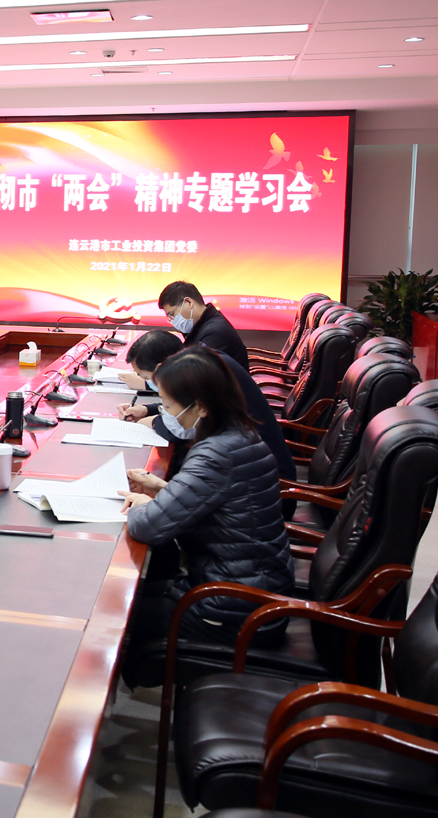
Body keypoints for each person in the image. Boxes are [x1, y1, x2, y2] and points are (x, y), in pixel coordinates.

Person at [117, 347, 293, 687]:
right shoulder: (239, 434)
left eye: (168, 406)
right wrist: (163, 488)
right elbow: (214, 499)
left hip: (232, 610)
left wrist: (141, 505)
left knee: (116, 613)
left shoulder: (215, 454)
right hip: (252, 590)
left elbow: (147, 527)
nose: (166, 414)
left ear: (200, 407)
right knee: (144, 587)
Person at [116, 331, 294, 482]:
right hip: (253, 471)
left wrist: (151, 421)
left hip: (268, 480)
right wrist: (148, 409)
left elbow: (178, 430)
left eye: (146, 378)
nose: (149, 383)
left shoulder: (202, 372)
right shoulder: (201, 362)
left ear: (161, 367)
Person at [157, 280, 249, 371]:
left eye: (172, 314)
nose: (172, 320)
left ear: (188, 302)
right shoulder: (202, 327)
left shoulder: (214, 332)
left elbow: (199, 374)